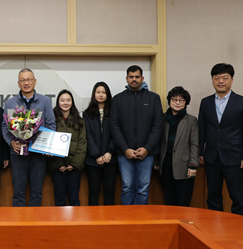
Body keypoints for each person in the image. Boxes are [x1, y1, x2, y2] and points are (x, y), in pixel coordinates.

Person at [198, 63, 243, 216]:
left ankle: (239, 230)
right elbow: (202, 129)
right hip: (212, 157)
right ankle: (215, 229)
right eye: (217, 78)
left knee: (237, 198)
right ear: (212, 81)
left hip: (235, 158)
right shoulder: (206, 102)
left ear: (231, 80)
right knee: (213, 196)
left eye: (225, 78)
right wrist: (200, 152)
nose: (221, 81)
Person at [2, 68, 56, 207]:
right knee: (18, 192)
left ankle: (35, 225)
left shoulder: (45, 101)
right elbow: (4, 127)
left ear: (35, 81)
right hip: (17, 153)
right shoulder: (10, 103)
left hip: (38, 153)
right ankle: (18, 225)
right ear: (19, 83)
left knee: (37, 192)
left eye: (29, 79)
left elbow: (51, 124)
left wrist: (42, 143)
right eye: (23, 80)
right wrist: (11, 142)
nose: (26, 83)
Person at [109, 65, 163, 205]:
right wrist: (125, 149)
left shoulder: (154, 98)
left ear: (142, 78)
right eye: (131, 77)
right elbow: (114, 126)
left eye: (137, 77)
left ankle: (141, 221)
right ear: (126, 79)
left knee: (143, 189)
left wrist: (147, 148)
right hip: (124, 153)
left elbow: (158, 125)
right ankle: (127, 222)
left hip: (147, 153)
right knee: (127, 188)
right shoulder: (118, 99)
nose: (134, 80)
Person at [154, 87, 199, 207]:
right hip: (165, 165)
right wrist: (156, 160)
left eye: (181, 100)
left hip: (184, 168)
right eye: (174, 99)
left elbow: (194, 144)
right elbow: (157, 141)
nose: (177, 102)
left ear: (186, 103)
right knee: (169, 201)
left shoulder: (191, 121)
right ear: (169, 101)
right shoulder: (161, 118)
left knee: (183, 202)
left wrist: (193, 165)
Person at [47, 90, 86, 206]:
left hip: (74, 167)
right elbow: (48, 144)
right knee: (60, 199)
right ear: (58, 102)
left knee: (74, 198)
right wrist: (58, 165)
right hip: (57, 167)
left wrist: (74, 164)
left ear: (72, 102)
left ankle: (75, 224)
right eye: (62, 100)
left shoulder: (80, 121)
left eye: (68, 100)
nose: (65, 103)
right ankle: (60, 224)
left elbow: (82, 143)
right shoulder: (51, 120)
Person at [83, 82, 118, 206]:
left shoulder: (114, 112)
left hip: (111, 159)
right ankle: (93, 222)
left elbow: (117, 134)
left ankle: (110, 223)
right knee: (94, 191)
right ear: (94, 94)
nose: (101, 95)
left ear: (107, 94)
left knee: (109, 191)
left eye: (103, 92)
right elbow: (88, 136)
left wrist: (109, 152)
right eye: (98, 92)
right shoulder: (87, 114)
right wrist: (97, 155)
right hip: (93, 160)